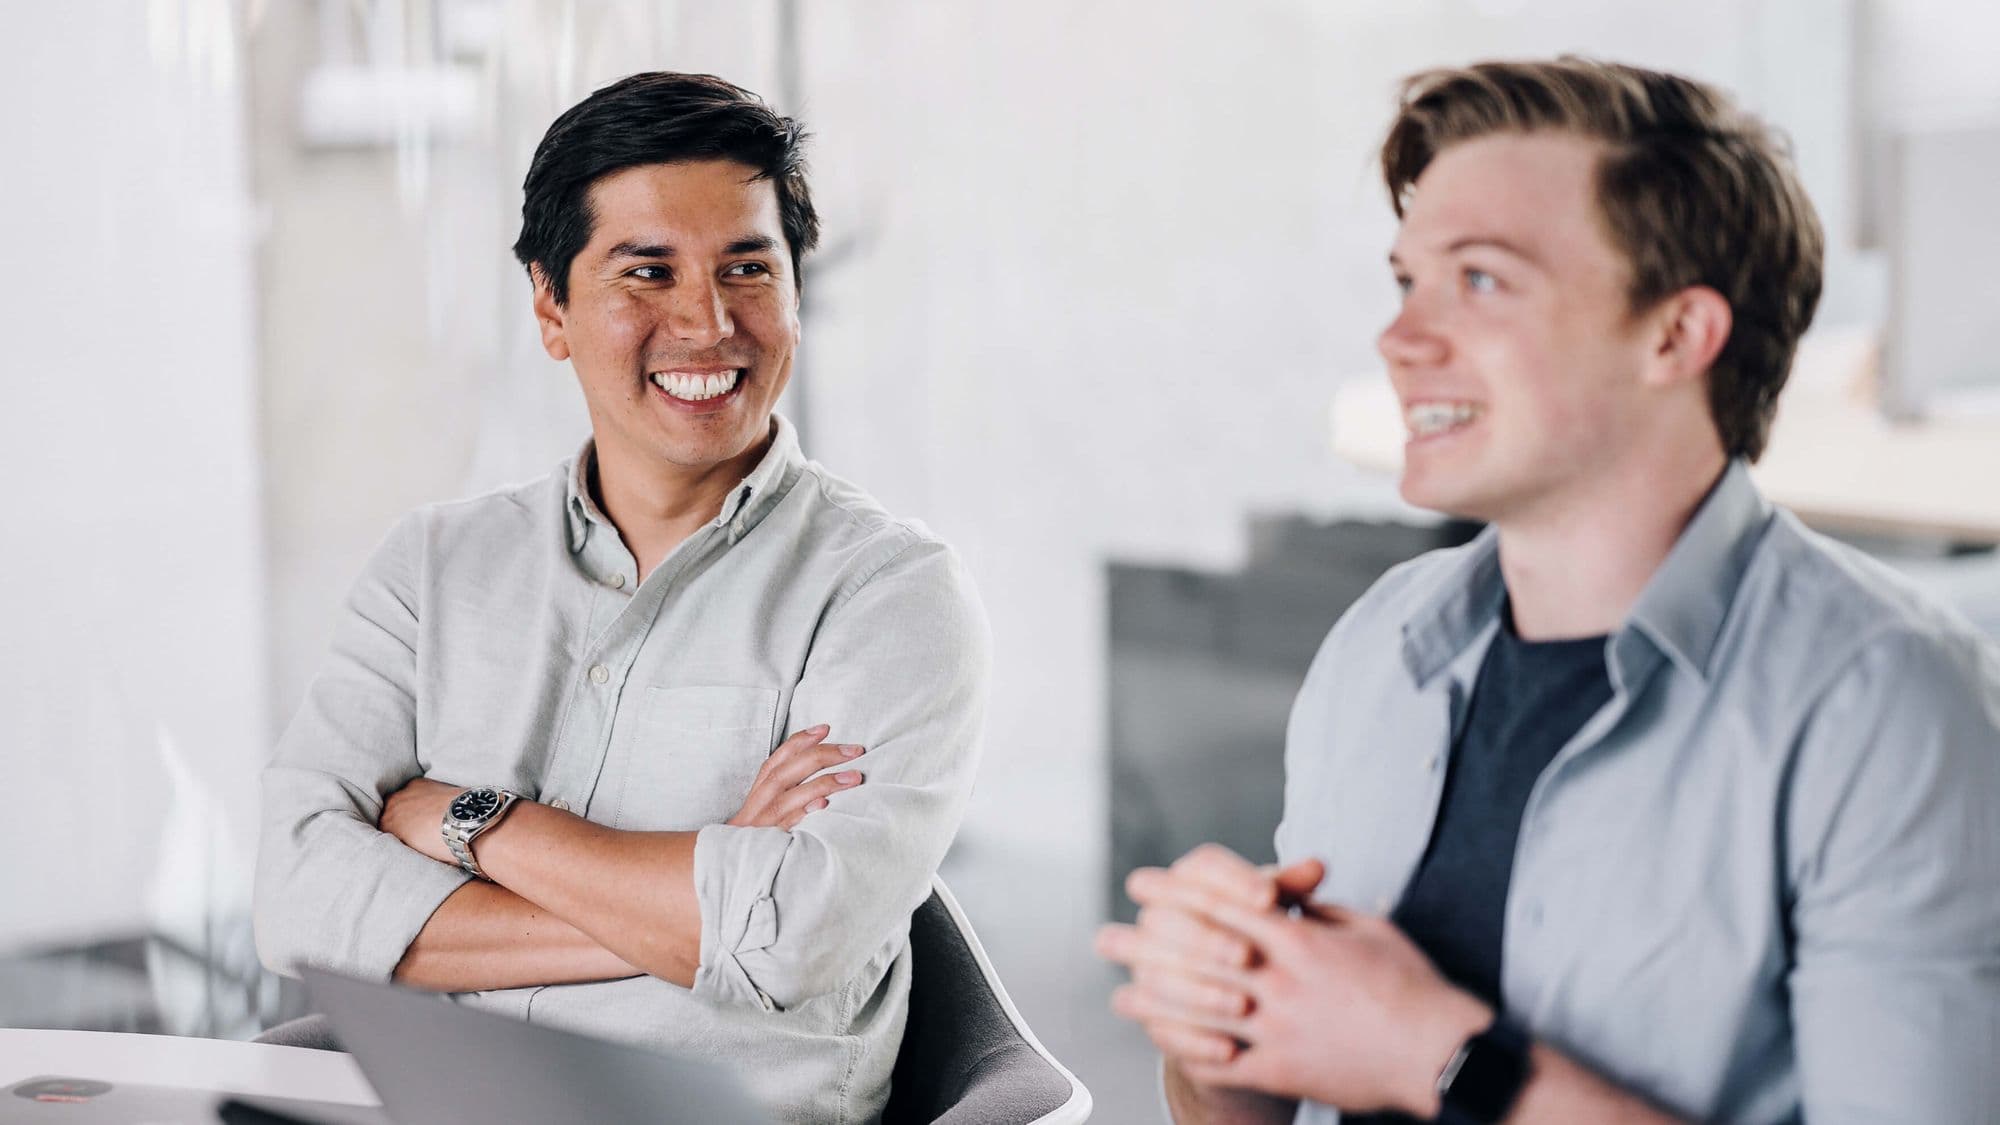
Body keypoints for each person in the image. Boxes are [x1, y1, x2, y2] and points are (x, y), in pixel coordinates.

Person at [1098, 57, 2000, 1124]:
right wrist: (1221, 1035)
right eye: (1405, 283)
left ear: (1674, 335)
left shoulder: (1890, 706)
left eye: (1478, 280)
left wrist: (1435, 1057)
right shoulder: (1380, 644)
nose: (1399, 342)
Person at [254, 72, 988, 1123]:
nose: (707, 321)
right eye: (647, 272)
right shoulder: (433, 568)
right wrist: (689, 908)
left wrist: (474, 824)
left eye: (748, 267)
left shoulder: (889, 596)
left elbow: (794, 936)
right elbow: (296, 901)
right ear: (551, 306)